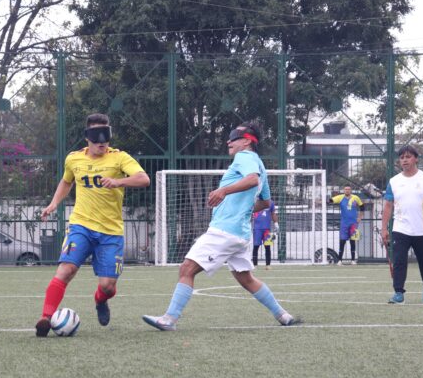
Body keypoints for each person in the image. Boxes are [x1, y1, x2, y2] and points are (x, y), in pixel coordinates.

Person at [142, 124, 299, 331]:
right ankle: (283, 315)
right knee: (246, 278)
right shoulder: (259, 164)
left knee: (186, 268)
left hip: (226, 230)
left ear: (247, 141)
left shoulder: (245, 157)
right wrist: (243, 208)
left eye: (234, 138)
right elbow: (266, 202)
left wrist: (224, 191)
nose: (229, 142)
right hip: (241, 234)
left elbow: (252, 180)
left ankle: (169, 319)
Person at [35, 113, 150, 337]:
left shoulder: (120, 158)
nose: (101, 141)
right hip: (81, 226)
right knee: (65, 270)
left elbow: (143, 179)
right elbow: (67, 181)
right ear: (87, 137)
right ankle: (46, 318)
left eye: (105, 135)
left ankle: (100, 300)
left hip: (110, 233)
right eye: (96, 136)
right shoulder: (74, 159)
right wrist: (53, 203)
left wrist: (118, 181)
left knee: (108, 286)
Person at [381, 145, 423, 304]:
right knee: (399, 261)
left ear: (415, 158)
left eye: (408, 157)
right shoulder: (394, 181)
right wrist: (384, 228)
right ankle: (398, 293)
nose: (404, 160)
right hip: (400, 229)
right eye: (402, 157)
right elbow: (388, 205)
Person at [329, 185, 364, 265]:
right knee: (342, 241)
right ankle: (340, 260)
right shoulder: (340, 197)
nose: (347, 190)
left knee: (352, 241)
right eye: (345, 189)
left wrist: (360, 217)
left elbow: (362, 207)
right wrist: (322, 201)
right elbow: (331, 200)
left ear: (351, 190)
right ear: (344, 190)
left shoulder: (355, 198)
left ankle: (353, 260)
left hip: (353, 223)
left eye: (348, 189)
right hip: (344, 223)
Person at [252, 200, 277, 269]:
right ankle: (255, 265)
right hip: (257, 229)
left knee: (268, 247)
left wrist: (276, 223)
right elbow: (250, 213)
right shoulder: (254, 202)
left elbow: (273, 213)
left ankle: (268, 265)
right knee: (256, 247)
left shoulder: (271, 202)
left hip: (267, 229)